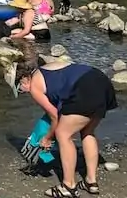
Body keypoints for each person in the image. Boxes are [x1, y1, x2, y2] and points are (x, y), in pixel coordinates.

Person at [13, 60, 117, 197]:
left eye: (20, 89)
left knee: (63, 134)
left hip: (83, 88)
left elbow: (55, 117)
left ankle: (68, 186)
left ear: (24, 79)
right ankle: (91, 182)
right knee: (87, 131)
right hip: (101, 81)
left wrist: (47, 137)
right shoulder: (46, 68)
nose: (23, 92)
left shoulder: (34, 87)